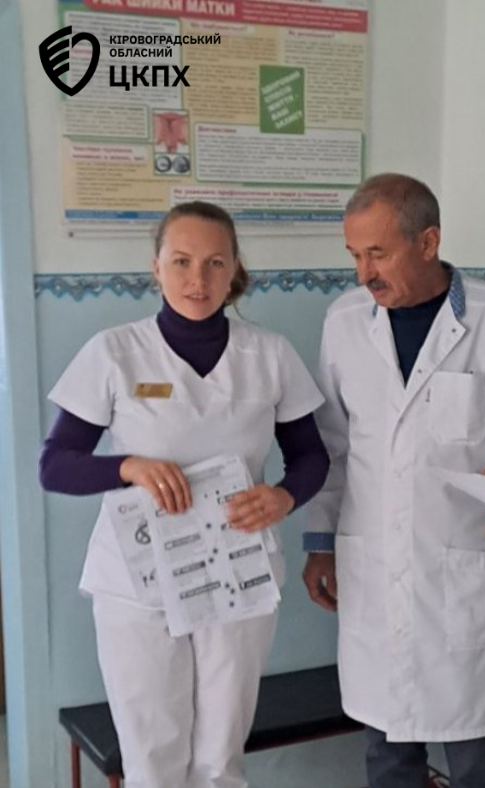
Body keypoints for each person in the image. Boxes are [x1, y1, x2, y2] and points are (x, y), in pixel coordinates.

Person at [302, 173, 485, 788]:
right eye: (355, 255)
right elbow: (332, 446)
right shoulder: (344, 321)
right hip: (373, 571)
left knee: (476, 755)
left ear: (428, 242)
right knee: (387, 752)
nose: (363, 274)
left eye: (378, 254)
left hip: (461, 571)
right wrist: (320, 543)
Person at [39, 201, 330, 788]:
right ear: (156, 267)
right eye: (181, 261)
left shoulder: (269, 354)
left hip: (236, 571)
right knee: (152, 757)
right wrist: (129, 467)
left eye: (214, 262)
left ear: (234, 268)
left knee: (220, 757)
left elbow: (311, 457)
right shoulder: (115, 353)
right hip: (137, 581)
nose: (198, 279)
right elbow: (55, 466)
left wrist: (283, 497)